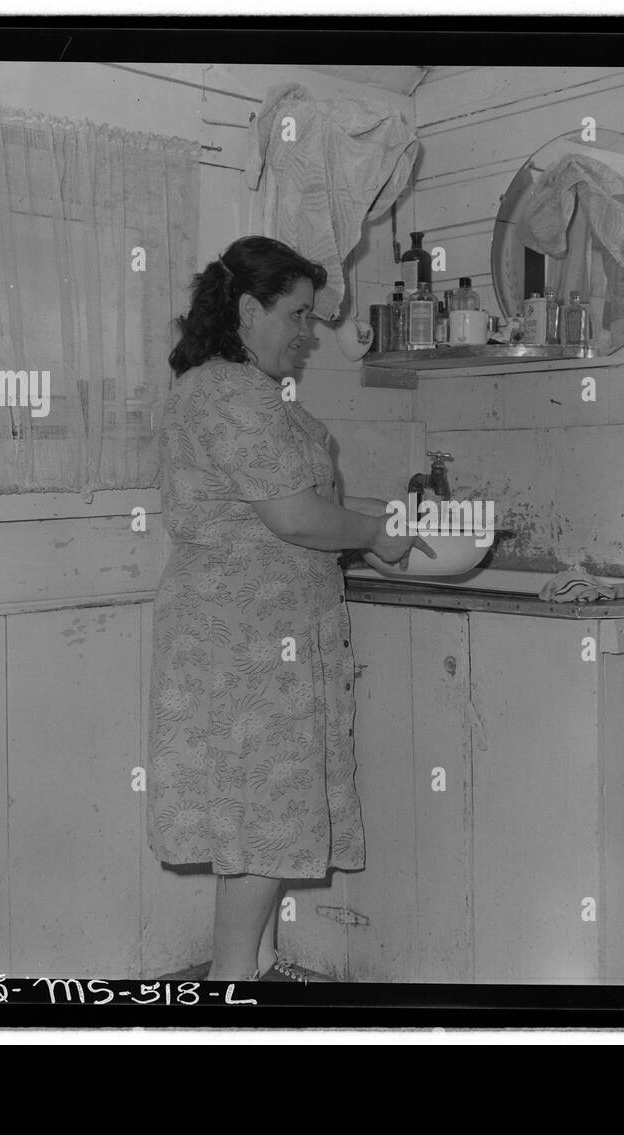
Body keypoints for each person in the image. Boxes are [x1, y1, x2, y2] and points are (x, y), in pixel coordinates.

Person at [148, 236, 430, 983]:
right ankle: (235, 983)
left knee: (261, 811)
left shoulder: (243, 391)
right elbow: (296, 518)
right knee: (266, 812)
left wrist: (387, 517)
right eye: (298, 314)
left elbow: (307, 501)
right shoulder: (228, 395)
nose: (309, 333)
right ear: (248, 309)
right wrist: (373, 532)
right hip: (243, 639)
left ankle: (257, 966)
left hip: (262, 635)